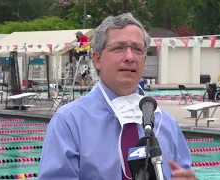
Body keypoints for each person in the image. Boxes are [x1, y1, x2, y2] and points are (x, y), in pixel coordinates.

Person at [38, 13, 195, 180]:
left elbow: (184, 172)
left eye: (137, 49)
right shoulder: (69, 123)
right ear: (97, 59)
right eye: (119, 48)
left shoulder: (166, 124)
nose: (130, 57)